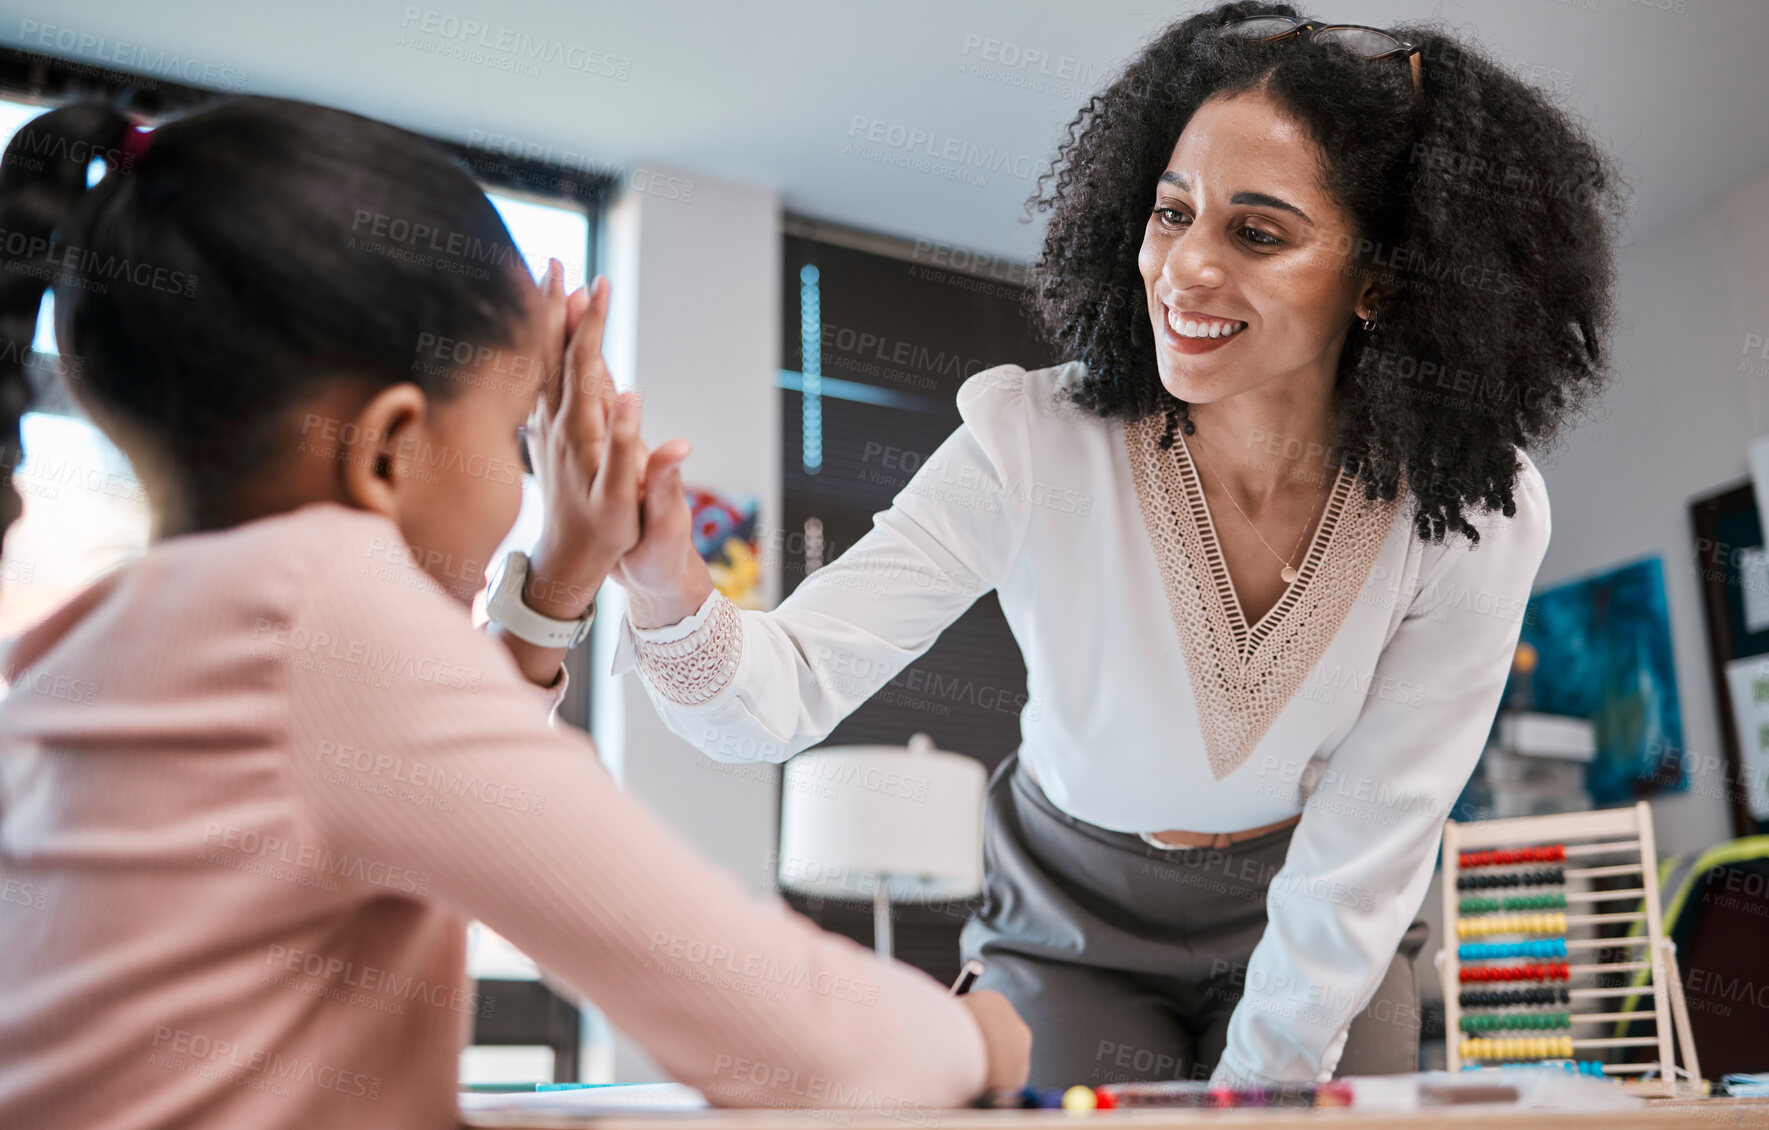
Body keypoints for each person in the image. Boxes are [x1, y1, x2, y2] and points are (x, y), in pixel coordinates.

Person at [609, 1, 1623, 1091]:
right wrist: (664, 582)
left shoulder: (1473, 509)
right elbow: (770, 702)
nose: (1182, 269)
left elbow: (1376, 825)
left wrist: (1257, 1088)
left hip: (1313, 903)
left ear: (1382, 280)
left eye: (1257, 231)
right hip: (1066, 907)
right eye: (1170, 211)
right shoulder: (1029, 441)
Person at [0, 96, 1029, 1130]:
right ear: (391, 450)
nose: (518, 484)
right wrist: (982, 1033)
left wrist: (563, 574)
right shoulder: (325, 625)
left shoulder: (105, 643)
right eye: (506, 441)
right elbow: (795, 1035)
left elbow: (404, 754)